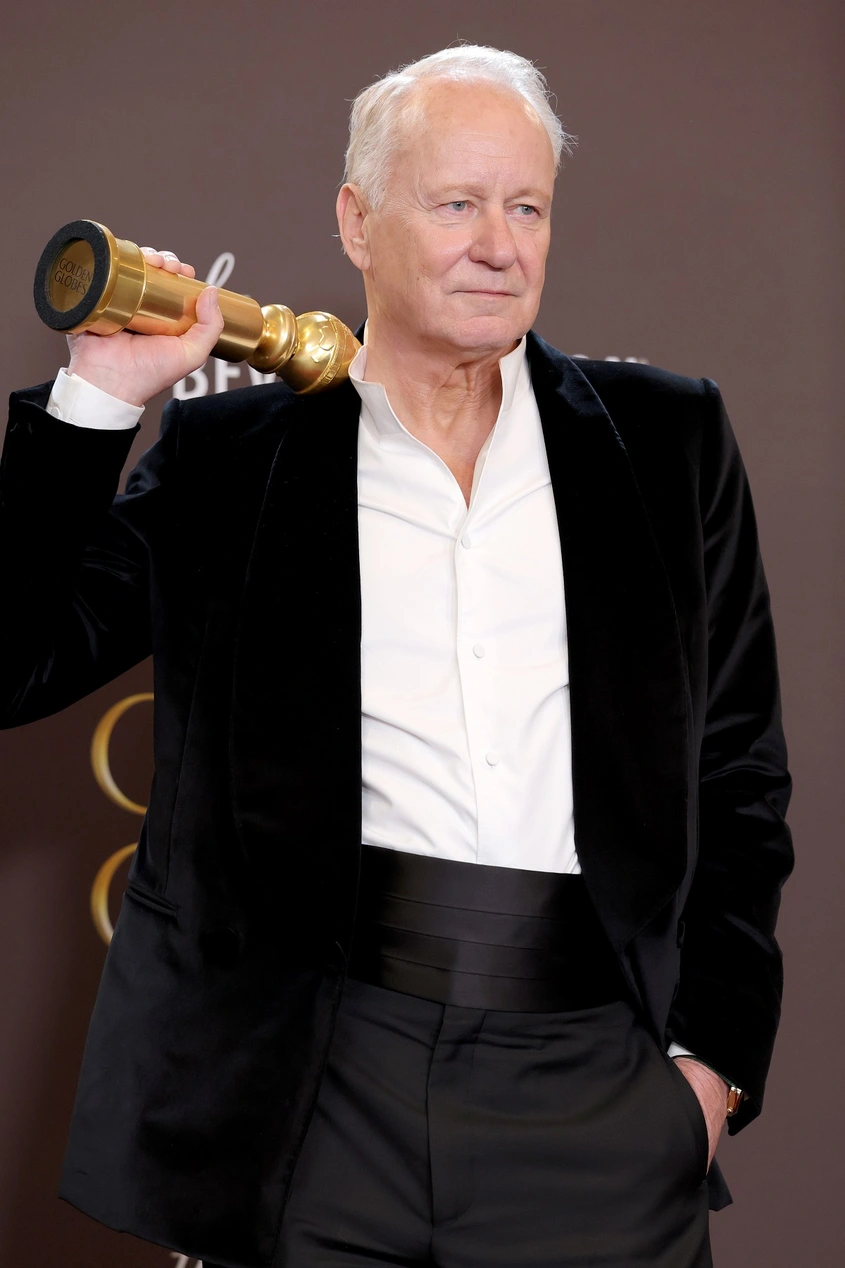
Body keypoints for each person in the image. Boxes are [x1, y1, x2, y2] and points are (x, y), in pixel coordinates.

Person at [1, 45, 792, 1268]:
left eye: (525, 207)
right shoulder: (232, 458)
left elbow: (737, 774)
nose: (499, 245)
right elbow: (17, 664)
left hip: (597, 1083)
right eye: (457, 203)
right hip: (312, 1086)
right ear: (356, 222)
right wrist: (99, 396)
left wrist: (708, 1073)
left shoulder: (667, 442)